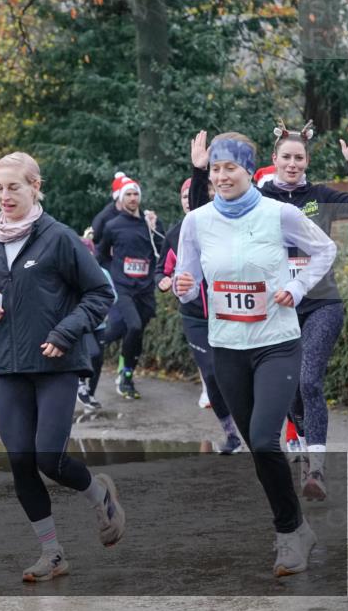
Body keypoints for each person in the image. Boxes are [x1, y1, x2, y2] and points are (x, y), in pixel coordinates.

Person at [0, 151, 122, 583]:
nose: (5, 196)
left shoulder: (59, 238)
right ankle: (52, 554)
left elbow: (101, 294)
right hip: (10, 367)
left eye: (14, 187)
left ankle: (99, 495)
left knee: (49, 457)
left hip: (56, 364)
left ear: (35, 187)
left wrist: (66, 332)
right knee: (20, 460)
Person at [175, 131, 336, 576]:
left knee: (265, 439)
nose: (222, 176)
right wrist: (184, 287)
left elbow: (325, 249)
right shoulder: (197, 222)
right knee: (259, 450)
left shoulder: (278, 213)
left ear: (248, 169)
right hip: (227, 347)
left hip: (276, 344)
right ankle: (297, 527)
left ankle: (287, 536)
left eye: (230, 167)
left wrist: (297, 288)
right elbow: (188, 281)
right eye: (216, 169)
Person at [190, 124, 348, 499]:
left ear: (307, 162)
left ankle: (316, 468)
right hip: (276, 309)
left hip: (319, 302)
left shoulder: (319, 196)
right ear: (273, 160)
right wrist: (201, 171)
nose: (292, 163)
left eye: (299, 158)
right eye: (286, 157)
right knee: (290, 391)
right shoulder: (260, 197)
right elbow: (204, 214)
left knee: (309, 381)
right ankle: (299, 442)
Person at [155, 178, 242, 454]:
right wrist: (163, 281)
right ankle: (231, 434)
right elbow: (162, 268)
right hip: (195, 318)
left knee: (237, 373)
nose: (189, 200)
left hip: (229, 311)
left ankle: (254, 430)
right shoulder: (175, 233)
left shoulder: (227, 225)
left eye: (198, 194)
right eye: (184, 196)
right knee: (212, 374)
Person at [96, 174, 164, 399]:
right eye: (128, 194)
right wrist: (109, 275)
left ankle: (126, 375)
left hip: (145, 288)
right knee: (133, 326)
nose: (133, 198)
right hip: (123, 287)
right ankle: (94, 354)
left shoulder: (150, 222)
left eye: (136, 194)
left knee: (136, 333)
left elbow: (163, 250)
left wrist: (154, 229)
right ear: (120, 198)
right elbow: (101, 255)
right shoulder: (113, 226)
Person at [75, 236, 116, 412]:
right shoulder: (72, 274)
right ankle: (80, 383)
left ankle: (91, 393)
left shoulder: (103, 273)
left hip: (100, 324)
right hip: (83, 323)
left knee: (98, 360)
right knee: (92, 352)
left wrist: (100, 307)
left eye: (89, 253)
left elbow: (113, 296)